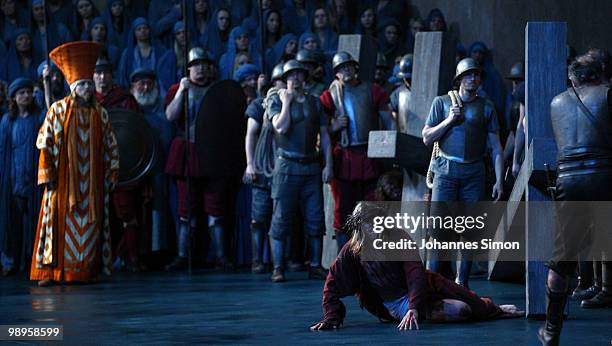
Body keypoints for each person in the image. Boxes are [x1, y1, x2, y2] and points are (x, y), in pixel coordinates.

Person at [309, 202, 522, 331]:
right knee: (461, 311)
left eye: (376, 223)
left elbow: (415, 273)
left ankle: (494, 309)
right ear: (360, 227)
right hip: (391, 305)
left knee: (467, 298)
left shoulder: (397, 236)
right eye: (368, 224)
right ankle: (491, 309)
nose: (374, 228)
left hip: (418, 290)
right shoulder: (352, 250)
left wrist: (413, 306)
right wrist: (331, 317)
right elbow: (332, 284)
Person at [29, 41, 120, 286]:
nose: (88, 89)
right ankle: (54, 270)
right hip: (64, 180)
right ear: (74, 87)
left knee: (90, 225)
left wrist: (112, 173)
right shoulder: (57, 110)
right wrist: (47, 172)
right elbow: (44, 141)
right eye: (83, 85)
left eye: (90, 85)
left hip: (92, 182)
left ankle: (85, 270)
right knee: (58, 221)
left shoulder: (100, 113)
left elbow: (111, 144)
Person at [538, 52, 612, 346]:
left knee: (561, 262)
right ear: (600, 74)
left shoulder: (556, 102)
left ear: (574, 78)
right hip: (606, 178)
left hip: (569, 182)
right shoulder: (608, 94)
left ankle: (551, 331)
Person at [422, 58, 504, 289]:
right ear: (459, 79)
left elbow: (496, 147)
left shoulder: (486, 107)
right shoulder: (441, 103)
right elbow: (427, 138)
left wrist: (499, 180)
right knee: (438, 230)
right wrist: (450, 119)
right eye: (468, 75)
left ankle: (462, 283)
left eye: (476, 75)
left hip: (474, 172)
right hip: (445, 171)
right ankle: (429, 284)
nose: (473, 78)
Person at [320, 51, 395, 251]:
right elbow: (321, 130)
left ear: (355, 68)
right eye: (341, 68)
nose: (346, 70)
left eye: (349, 66)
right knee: (343, 210)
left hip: (369, 154)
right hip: (344, 157)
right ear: (336, 73)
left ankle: (373, 256)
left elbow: (389, 121)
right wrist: (335, 126)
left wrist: (392, 147)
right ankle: (345, 258)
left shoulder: (372, 90)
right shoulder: (329, 96)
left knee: (372, 207)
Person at [266, 59, 333, 282]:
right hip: (286, 165)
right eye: (291, 75)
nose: (295, 79)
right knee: (281, 218)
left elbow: (324, 136)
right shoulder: (276, 99)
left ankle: (315, 265)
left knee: (315, 217)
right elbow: (281, 127)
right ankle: (278, 267)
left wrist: (328, 164)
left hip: (311, 166)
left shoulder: (315, 102)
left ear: (305, 77)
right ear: (285, 79)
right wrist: (286, 102)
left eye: (299, 74)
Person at [164, 47, 230, 271]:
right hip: (188, 153)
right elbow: (171, 116)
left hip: (211, 154)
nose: (201, 68)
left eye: (204, 64)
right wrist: (182, 91)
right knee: (186, 211)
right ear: (189, 68)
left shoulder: (217, 91)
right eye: (196, 64)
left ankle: (221, 256)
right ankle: (183, 255)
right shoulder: (178, 88)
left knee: (215, 210)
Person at [94, 56, 147, 272]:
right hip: (95, 167)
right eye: (98, 72)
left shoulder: (124, 99)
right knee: (96, 216)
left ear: (112, 75)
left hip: (122, 166)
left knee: (127, 213)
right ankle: (97, 261)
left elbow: (136, 131)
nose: (102, 77)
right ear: (91, 76)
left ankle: (131, 258)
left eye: (106, 72)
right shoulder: (86, 101)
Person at [0, 78, 45, 276]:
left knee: (34, 221)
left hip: (33, 176)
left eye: (28, 92)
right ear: (14, 98)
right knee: (13, 221)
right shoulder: (8, 121)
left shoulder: (38, 117)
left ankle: (33, 260)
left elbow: (50, 123)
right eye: (21, 93)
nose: (26, 96)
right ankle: (10, 261)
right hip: (14, 177)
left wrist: (46, 88)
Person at [243, 63, 285, 274]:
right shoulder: (259, 105)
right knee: (258, 218)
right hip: (262, 167)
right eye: (280, 81)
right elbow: (250, 134)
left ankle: (282, 262)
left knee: (283, 217)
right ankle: (257, 259)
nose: (283, 85)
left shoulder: (291, 105)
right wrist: (250, 164)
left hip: (283, 166)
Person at [129, 68, 173, 257]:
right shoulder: (129, 111)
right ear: (133, 87)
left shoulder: (164, 113)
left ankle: (157, 252)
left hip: (159, 170)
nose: (145, 87)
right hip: (134, 172)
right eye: (141, 84)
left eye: (149, 83)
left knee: (159, 212)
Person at [117, 17, 166, 89]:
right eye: (139, 29)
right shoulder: (127, 53)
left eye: (145, 28)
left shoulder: (159, 51)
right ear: (134, 32)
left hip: (156, 90)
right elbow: (123, 77)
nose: (143, 31)